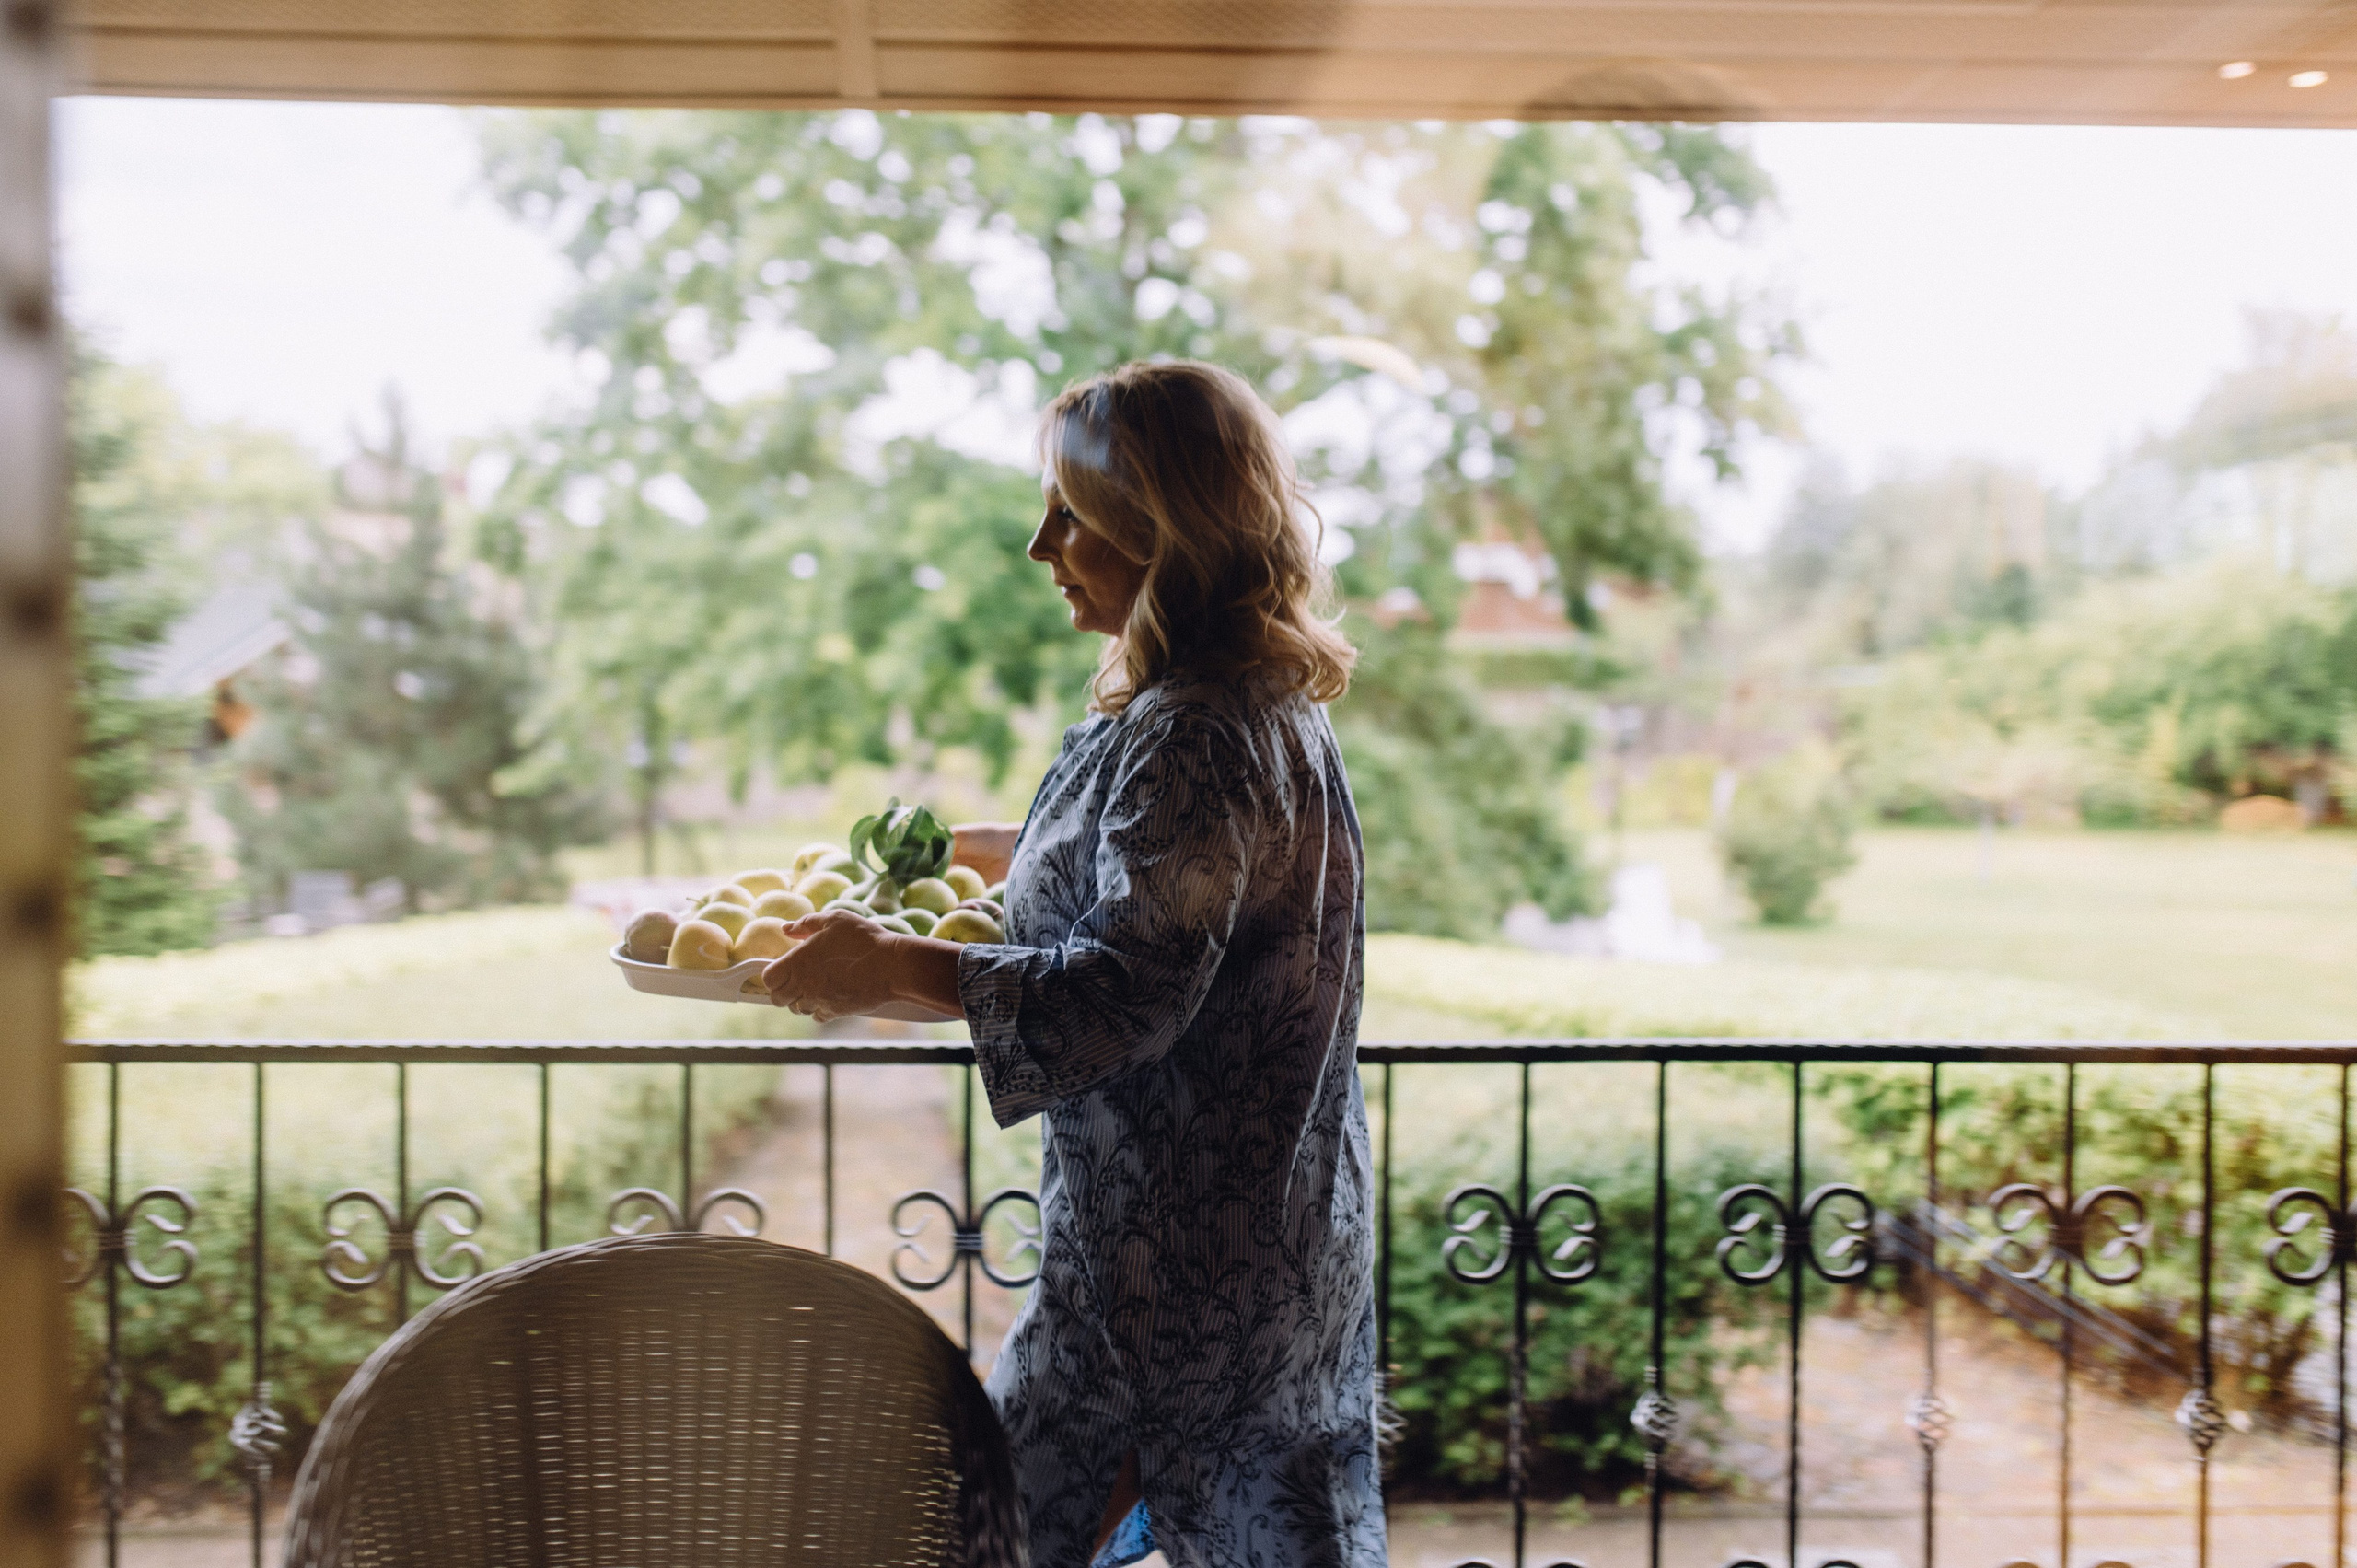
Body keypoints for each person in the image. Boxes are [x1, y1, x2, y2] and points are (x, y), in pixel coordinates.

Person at [764, 360, 1383, 1568]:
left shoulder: (1202, 726)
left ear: (1161, 528)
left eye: (1070, 513)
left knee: (991, 1541)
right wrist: (966, 854)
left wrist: (892, 962)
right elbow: (1142, 872)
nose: (1041, 544)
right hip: (1217, 1248)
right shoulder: (1217, 700)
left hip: (1180, 1278)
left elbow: (1126, 991)